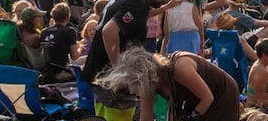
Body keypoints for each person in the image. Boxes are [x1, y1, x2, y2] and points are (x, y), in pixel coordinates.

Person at [83, 0, 184, 88]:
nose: (164, 1)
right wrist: (118, 68)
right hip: (106, 74)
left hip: (99, 69)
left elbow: (140, 15)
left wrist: (165, 7)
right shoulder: (136, 2)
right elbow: (109, 31)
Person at [96, 48, 241, 121]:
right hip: (194, 100)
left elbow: (207, 98)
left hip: (222, 94)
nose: (133, 91)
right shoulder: (148, 84)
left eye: (134, 83)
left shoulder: (180, 68)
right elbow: (146, 117)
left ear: (146, 74)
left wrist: (191, 118)